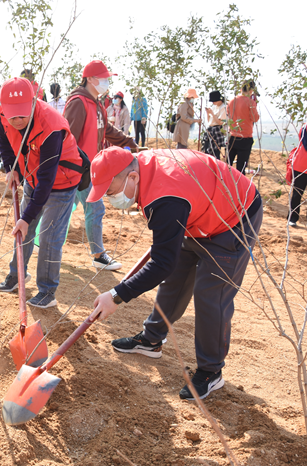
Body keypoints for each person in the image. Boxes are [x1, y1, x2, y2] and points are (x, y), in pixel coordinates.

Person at [89, 146, 262, 400]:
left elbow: (161, 263)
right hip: (198, 211)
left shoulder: (165, 198)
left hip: (233, 217)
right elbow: (168, 261)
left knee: (210, 295)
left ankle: (211, 371)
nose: (110, 199)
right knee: (175, 279)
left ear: (132, 177)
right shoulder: (144, 167)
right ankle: (151, 341)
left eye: (111, 192)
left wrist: (116, 295)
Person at [0, 77, 86, 308]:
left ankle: (47, 290)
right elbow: (4, 141)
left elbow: (47, 180)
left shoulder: (51, 125)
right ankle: (17, 276)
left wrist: (26, 217)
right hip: (32, 176)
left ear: (34, 103)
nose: (16, 120)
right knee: (22, 231)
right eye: (11, 114)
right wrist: (11, 167)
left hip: (62, 181)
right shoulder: (2, 114)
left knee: (48, 236)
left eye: (22, 114)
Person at [63, 59, 139, 271]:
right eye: (103, 78)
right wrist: (75, 166)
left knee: (65, 209)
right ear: (90, 79)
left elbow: (108, 131)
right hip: (78, 168)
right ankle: (98, 255)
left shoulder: (97, 104)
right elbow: (68, 137)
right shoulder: (78, 102)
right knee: (95, 207)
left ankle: (44, 242)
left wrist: (130, 142)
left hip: (90, 168)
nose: (106, 82)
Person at [227, 80, 260, 174]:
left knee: (227, 165)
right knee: (241, 168)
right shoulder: (251, 102)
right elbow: (255, 118)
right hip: (245, 138)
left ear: (241, 89)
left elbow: (228, 116)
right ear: (251, 91)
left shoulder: (231, 101)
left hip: (232, 136)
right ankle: (239, 188)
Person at [287, 124, 307, 227]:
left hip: (301, 165)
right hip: (302, 166)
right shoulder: (304, 128)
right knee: (297, 193)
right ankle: (292, 217)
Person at [201, 90, 227, 159]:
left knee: (214, 152)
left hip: (217, 131)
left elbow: (220, 122)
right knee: (206, 150)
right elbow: (209, 121)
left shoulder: (223, 107)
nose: (213, 102)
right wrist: (208, 113)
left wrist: (212, 113)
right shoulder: (214, 107)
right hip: (210, 130)